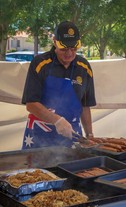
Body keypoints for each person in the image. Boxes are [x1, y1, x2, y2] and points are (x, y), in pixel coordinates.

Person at [21, 21, 96, 149]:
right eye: (64, 49)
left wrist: (89, 135)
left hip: (73, 137)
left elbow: (85, 105)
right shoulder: (40, 64)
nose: (69, 53)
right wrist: (57, 120)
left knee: (75, 168)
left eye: (73, 49)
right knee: (36, 170)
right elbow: (31, 104)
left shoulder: (84, 67)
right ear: (55, 41)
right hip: (40, 138)